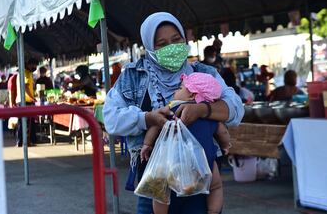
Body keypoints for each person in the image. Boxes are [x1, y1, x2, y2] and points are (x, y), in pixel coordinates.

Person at [103, 12, 244, 214]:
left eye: (176, 40)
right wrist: (146, 118)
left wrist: (203, 110)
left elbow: (236, 109)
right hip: (156, 179)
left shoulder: (204, 75)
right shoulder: (132, 77)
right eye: (161, 43)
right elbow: (111, 119)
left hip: (201, 177)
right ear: (150, 48)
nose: (171, 47)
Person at [140, 72, 231, 214]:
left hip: (172, 161)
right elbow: (223, 133)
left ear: (192, 95)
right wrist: (225, 145)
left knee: (160, 189)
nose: (176, 91)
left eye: (180, 88)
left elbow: (156, 125)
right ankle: (213, 211)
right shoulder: (209, 115)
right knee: (216, 187)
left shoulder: (172, 109)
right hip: (205, 162)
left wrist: (147, 144)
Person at [16, 58, 38, 147]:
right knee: (27, 123)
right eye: (34, 65)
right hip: (26, 101)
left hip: (22, 100)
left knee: (22, 122)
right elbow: (25, 86)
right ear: (30, 64)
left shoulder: (23, 72)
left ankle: (21, 141)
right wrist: (33, 98)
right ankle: (27, 141)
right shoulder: (26, 73)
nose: (35, 67)